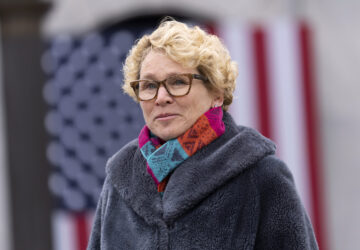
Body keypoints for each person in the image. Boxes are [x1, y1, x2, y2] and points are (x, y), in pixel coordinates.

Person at [87, 19, 318, 250]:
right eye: (149, 86)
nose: (161, 97)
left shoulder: (261, 175)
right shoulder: (120, 176)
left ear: (217, 93)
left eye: (178, 82)